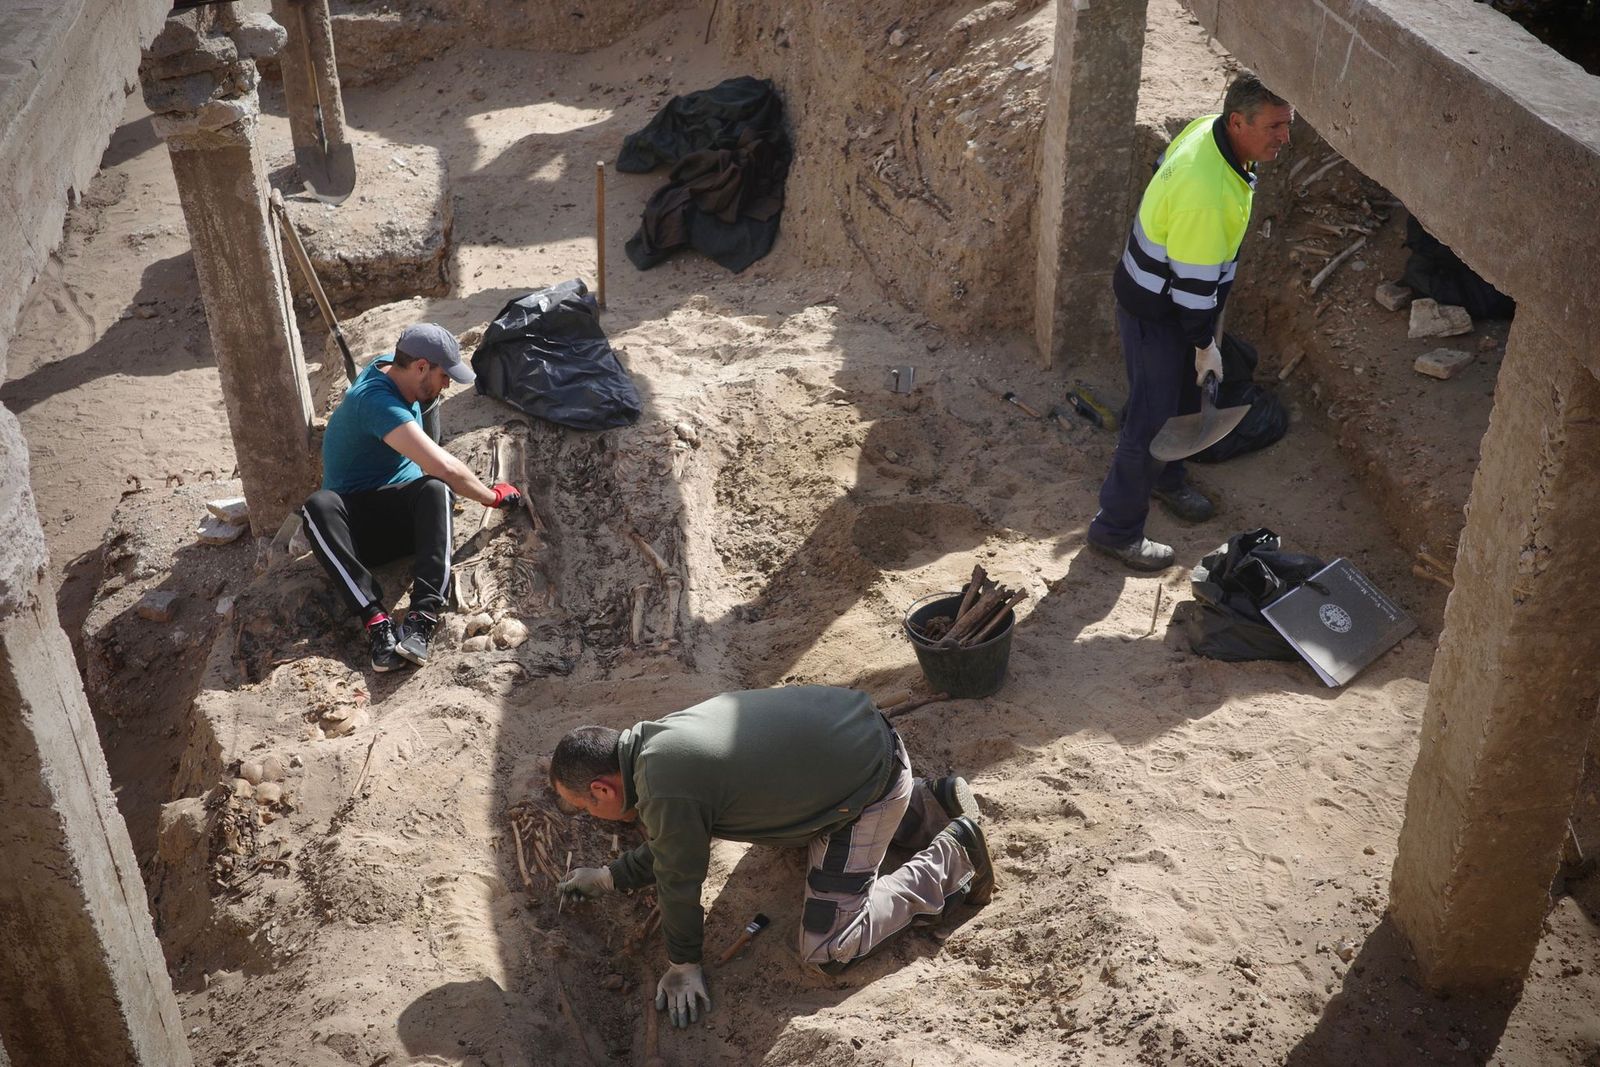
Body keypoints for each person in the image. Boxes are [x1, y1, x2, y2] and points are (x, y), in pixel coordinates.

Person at [549, 686, 995, 1028]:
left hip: (869, 787)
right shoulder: (657, 744)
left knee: (828, 948)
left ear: (602, 789)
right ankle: (926, 805)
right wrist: (610, 877)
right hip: (863, 733)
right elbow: (674, 846)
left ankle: (955, 857)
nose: (594, 815)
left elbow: (678, 879)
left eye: (587, 806)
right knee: (784, 833)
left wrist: (684, 964)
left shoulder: (664, 788)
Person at [1087, 72, 1294, 571]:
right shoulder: (1207, 195)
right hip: (1158, 310)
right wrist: (1205, 344)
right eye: (1275, 127)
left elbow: (1163, 169)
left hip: (1167, 298)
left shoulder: (1209, 130)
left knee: (1181, 398)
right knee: (1151, 420)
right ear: (1239, 122)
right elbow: (1193, 290)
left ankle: (1167, 479)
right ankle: (1115, 530)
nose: (1285, 137)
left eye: (1288, 125)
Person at [300, 322, 524, 672]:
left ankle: (421, 617)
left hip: (405, 517)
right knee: (316, 506)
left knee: (434, 490)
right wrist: (491, 496)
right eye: (444, 375)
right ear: (421, 366)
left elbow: (436, 465)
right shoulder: (377, 403)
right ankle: (377, 623)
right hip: (360, 537)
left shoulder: (393, 365)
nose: (448, 385)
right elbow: (445, 467)